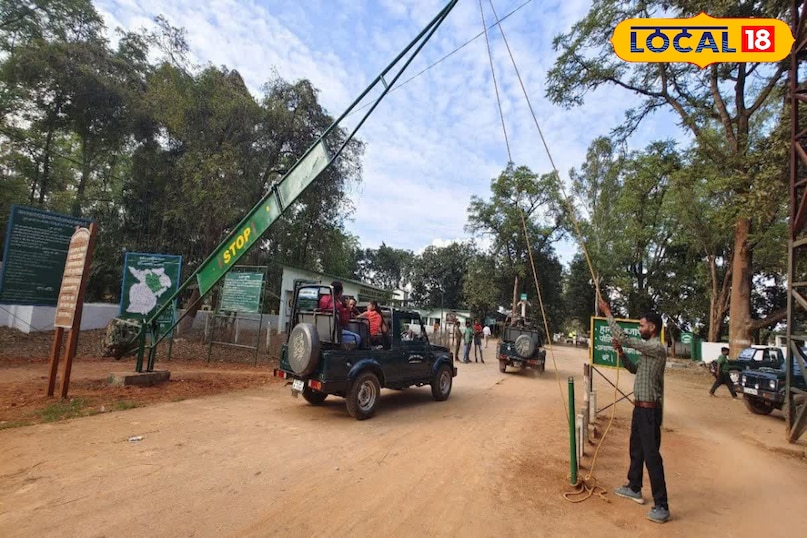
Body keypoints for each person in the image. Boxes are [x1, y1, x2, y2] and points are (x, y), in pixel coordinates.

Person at [598, 296, 670, 524]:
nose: (640, 328)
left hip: (650, 411)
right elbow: (633, 369)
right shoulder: (648, 353)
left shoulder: (657, 348)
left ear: (652, 327)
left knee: (652, 456)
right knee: (636, 450)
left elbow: (623, 336)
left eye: (641, 325)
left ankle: (662, 505)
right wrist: (621, 353)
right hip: (640, 409)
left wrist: (607, 312)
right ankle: (634, 487)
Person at [318, 281, 361, 347]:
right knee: (357, 338)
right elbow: (344, 321)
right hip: (334, 333)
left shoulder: (323, 299)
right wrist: (347, 308)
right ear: (340, 292)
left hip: (322, 331)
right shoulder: (337, 305)